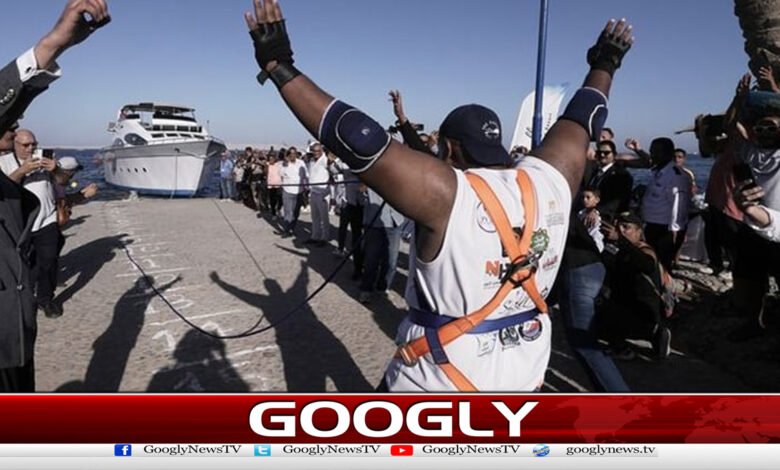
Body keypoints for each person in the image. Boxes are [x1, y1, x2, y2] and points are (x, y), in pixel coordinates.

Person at [245, 0, 633, 391]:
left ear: (447, 150)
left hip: (440, 382)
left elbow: (359, 140)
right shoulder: (550, 181)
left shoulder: (450, 195)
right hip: (524, 376)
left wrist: (279, 67)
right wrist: (606, 63)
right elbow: (584, 117)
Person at [0, 0, 110, 392]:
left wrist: (67, 184)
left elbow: (61, 186)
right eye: (14, 135)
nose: (20, 139)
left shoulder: (43, 162)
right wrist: (50, 46)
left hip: (14, 332)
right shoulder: (9, 165)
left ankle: (44, 300)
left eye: (23, 136)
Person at [0, 130, 63, 319]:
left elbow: (63, 181)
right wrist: (22, 171)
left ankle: (45, 299)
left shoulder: (45, 159)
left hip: (47, 219)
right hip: (20, 224)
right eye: (25, 145)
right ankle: (25, 298)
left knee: (49, 260)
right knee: (22, 266)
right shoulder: (4, 163)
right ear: (15, 144)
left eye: (33, 144)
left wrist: (56, 170)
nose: (30, 149)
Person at [600, 211, 672, 360]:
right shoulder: (619, 249)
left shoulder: (644, 250)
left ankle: (625, 348)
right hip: (627, 308)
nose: (621, 231)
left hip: (643, 313)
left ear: (639, 231)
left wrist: (621, 240)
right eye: (618, 226)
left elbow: (646, 264)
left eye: (626, 227)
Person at [639, 137, 692, 271]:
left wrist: (675, 231)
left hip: (664, 229)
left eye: (657, 152)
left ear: (668, 153)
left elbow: (679, 205)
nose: (653, 155)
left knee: (662, 265)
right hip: (651, 224)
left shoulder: (676, 175)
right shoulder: (659, 172)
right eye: (652, 151)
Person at [279, 146, 308, 237]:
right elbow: (280, 174)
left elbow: (306, 175)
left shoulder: (301, 163)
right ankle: (287, 230)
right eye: (290, 154)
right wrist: (285, 164)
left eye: (294, 153)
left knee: (296, 212)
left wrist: (306, 188)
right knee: (288, 212)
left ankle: (292, 228)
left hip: (299, 191)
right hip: (287, 191)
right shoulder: (284, 164)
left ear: (296, 154)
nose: (292, 155)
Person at [306, 142, 330, 246]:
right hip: (313, 191)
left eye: (317, 151)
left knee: (324, 217)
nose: (315, 153)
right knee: (314, 216)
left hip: (322, 193)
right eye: (314, 151)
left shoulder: (325, 160)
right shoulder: (311, 161)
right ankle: (315, 236)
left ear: (321, 151)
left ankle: (325, 238)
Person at [578, 187, 605, 252]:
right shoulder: (581, 212)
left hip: (595, 246)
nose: (585, 200)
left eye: (588, 197)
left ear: (597, 200)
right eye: (583, 197)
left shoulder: (598, 216)